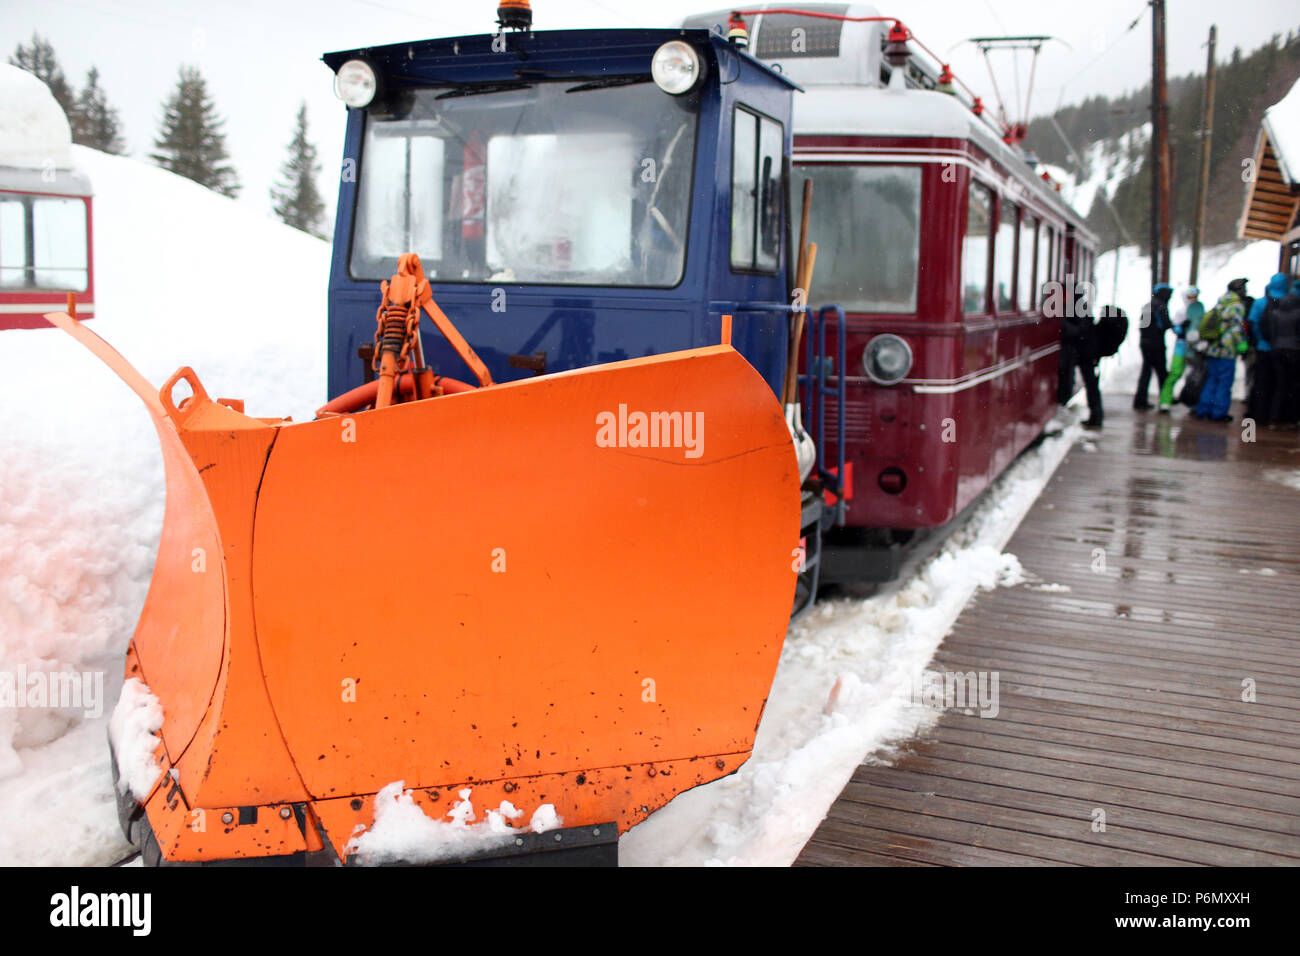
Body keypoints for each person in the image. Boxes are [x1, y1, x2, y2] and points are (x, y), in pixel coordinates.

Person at [1194, 278, 1249, 422]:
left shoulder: (1220, 303)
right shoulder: (1237, 306)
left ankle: (1204, 409)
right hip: (1227, 350)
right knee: (1224, 381)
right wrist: (1241, 345)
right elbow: (1237, 329)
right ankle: (1218, 412)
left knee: (1211, 379)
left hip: (1213, 347)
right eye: (1244, 288)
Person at [1245, 272, 1289, 425]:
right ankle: (1274, 415)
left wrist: (1258, 340)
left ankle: (1257, 413)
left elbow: (1252, 322)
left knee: (1260, 381)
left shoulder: (1260, 303)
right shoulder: (1288, 302)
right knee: (1278, 382)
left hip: (1263, 347)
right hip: (1281, 349)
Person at [1059, 295, 1105, 428]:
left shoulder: (1078, 307)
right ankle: (1096, 415)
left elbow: (1080, 332)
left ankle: (1096, 416)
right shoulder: (1081, 305)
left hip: (1086, 353)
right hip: (1087, 352)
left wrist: (1062, 324)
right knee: (1091, 385)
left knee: (1091, 385)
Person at [1262, 278, 1300, 428]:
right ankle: (1291, 417)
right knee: (1294, 385)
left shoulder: (1276, 313)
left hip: (1277, 349)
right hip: (1294, 351)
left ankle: (1274, 417)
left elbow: (1271, 332)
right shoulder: (1298, 314)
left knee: (1279, 384)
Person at [1160, 286, 1204, 412]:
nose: (1192, 299)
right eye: (1190, 297)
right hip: (1181, 347)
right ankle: (1165, 400)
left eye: (1195, 297)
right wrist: (1182, 328)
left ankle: (1191, 402)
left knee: (1193, 376)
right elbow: (1174, 328)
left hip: (1194, 348)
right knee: (1175, 373)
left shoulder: (1199, 311)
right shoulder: (1181, 312)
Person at [1134, 283, 1173, 410]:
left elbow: (1142, 325)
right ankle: (1165, 399)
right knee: (1161, 372)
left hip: (1145, 343)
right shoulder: (1161, 306)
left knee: (1146, 372)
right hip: (1156, 344)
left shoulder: (1148, 306)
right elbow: (1165, 324)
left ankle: (1140, 400)